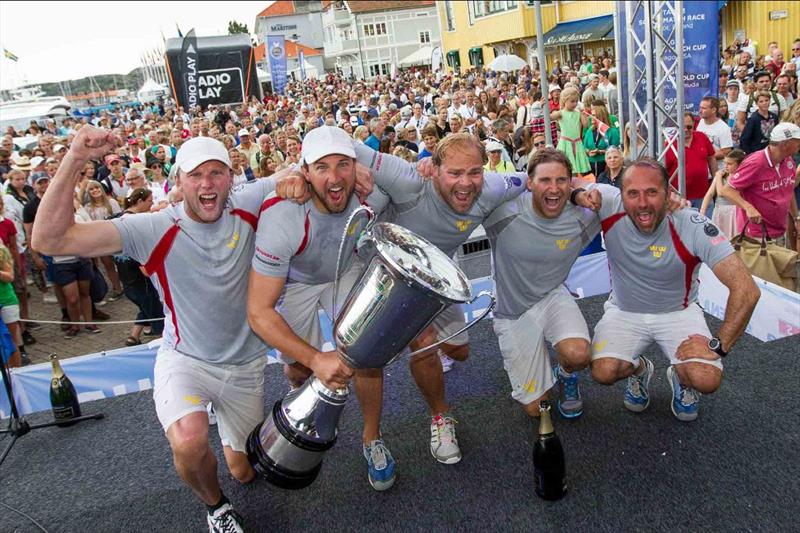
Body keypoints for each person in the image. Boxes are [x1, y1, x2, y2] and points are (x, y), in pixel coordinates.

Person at [31, 126, 300, 532]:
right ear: (178, 181)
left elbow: (312, 166)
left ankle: (236, 456)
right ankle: (217, 508)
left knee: (245, 470)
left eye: (216, 173)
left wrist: (344, 173)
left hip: (245, 365)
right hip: (185, 359)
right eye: (195, 175)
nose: (206, 184)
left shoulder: (248, 200)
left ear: (231, 177)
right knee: (190, 443)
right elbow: (49, 240)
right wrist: (74, 157)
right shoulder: (153, 227)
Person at [590, 158, 761, 422]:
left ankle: (682, 379)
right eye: (633, 193)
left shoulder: (691, 223)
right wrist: (579, 193)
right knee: (603, 372)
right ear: (621, 194)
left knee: (706, 380)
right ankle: (639, 370)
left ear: (669, 193)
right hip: (625, 311)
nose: (643, 202)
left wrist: (718, 346)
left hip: (678, 313)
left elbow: (746, 290)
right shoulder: (608, 203)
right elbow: (568, 185)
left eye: (652, 192)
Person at [483, 148, 607, 419]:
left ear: (571, 182)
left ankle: (565, 374)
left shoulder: (583, 213)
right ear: (529, 182)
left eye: (561, 180)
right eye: (545, 180)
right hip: (513, 310)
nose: (554, 188)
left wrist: (673, 201)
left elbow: (622, 197)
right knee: (535, 409)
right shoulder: (504, 210)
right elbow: (470, 190)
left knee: (578, 355)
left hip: (553, 295)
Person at [721, 123, 800, 246]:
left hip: (779, 231)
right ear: (785, 144)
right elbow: (727, 190)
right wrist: (748, 207)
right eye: (797, 141)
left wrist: (796, 218)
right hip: (756, 234)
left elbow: (788, 191)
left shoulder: (788, 160)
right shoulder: (756, 162)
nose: (799, 144)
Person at [113, 188, 164, 346]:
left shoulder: (117, 219)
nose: (151, 205)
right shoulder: (137, 223)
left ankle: (133, 336)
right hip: (141, 280)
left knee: (145, 307)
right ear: (140, 201)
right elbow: (144, 264)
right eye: (149, 201)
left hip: (127, 280)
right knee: (157, 316)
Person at [665, 113, 716, 210]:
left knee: (706, 224)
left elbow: (712, 158)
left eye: (689, 127)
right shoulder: (669, 145)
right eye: (682, 127)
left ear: (694, 125)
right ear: (676, 126)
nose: (685, 130)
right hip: (680, 199)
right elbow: (663, 174)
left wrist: (715, 180)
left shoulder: (702, 137)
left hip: (704, 196)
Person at [700, 149, 746, 238]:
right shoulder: (722, 175)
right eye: (725, 163)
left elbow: (722, 193)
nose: (726, 166)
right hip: (719, 210)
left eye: (730, 164)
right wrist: (702, 211)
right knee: (719, 238)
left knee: (734, 238)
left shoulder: (740, 177)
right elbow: (709, 194)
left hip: (734, 212)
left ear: (739, 165)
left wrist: (717, 177)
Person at [551, 87, 590, 175]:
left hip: (577, 143)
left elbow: (586, 125)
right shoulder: (561, 113)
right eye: (572, 101)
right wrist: (543, 107)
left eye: (576, 101)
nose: (575, 104)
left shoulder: (578, 113)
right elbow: (550, 117)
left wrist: (583, 114)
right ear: (565, 100)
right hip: (565, 143)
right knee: (564, 168)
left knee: (576, 169)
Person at [696, 96, 733, 172]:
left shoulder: (723, 128)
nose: (700, 111)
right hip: (703, 170)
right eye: (700, 107)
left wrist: (704, 156)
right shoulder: (701, 122)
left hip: (718, 172)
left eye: (704, 108)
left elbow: (726, 152)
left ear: (713, 110)